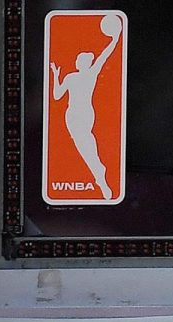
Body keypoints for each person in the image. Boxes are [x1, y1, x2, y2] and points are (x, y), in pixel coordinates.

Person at [50, 23, 120, 200]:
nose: (78, 62)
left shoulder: (91, 74)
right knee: (84, 144)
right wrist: (55, 76)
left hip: (84, 114)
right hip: (71, 115)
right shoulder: (71, 77)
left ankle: (99, 174)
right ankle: (99, 172)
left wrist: (115, 38)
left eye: (82, 60)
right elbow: (57, 96)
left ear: (86, 63)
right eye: (78, 60)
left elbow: (104, 56)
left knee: (85, 142)